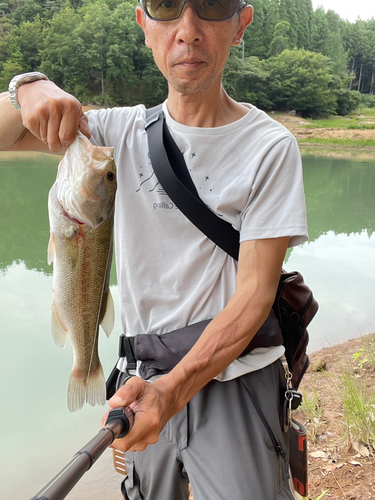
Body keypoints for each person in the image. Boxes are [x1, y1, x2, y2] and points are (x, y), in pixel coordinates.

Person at [0, 0, 308, 498]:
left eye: (210, 6)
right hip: (140, 379)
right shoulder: (111, 134)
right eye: (166, 7)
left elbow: (255, 296)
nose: (187, 30)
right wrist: (29, 88)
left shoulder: (269, 147)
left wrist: (173, 390)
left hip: (238, 379)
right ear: (145, 27)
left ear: (240, 25)